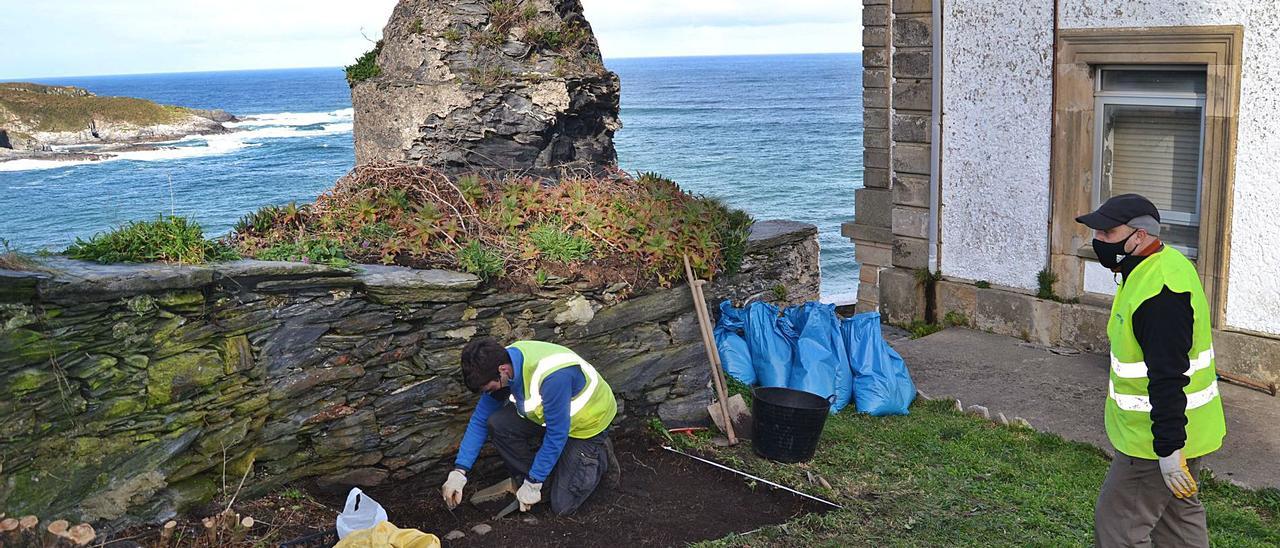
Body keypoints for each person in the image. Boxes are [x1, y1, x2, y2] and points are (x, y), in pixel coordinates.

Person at [1076, 194, 1226, 547]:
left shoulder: (1159, 294)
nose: (1098, 241)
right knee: (1177, 521)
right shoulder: (1160, 265)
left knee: (1119, 529)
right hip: (1189, 430)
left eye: (1108, 233)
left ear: (1139, 236)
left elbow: (1167, 377)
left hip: (1154, 442)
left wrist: (1169, 451)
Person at [440, 337, 617, 515]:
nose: (490, 393)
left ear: (503, 370)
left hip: (586, 425)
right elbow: (480, 420)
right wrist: (459, 471)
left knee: (562, 506)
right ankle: (545, 485)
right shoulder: (499, 363)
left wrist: (533, 482)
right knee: (497, 424)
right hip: (549, 417)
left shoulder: (553, 377)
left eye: (490, 389)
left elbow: (556, 435)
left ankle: (598, 454)